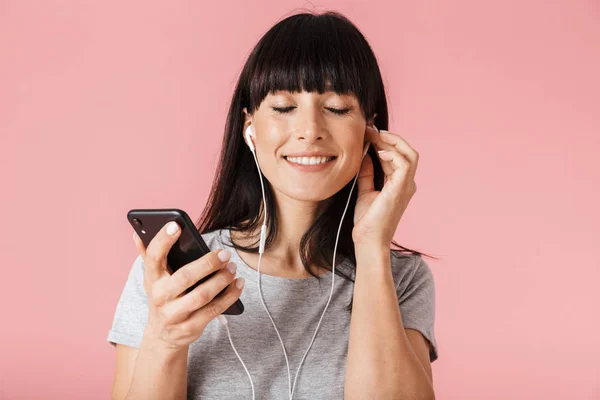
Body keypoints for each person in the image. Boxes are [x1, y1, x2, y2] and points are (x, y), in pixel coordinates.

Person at [107, 10, 439, 400]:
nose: (310, 131)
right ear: (250, 127)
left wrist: (370, 246)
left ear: (370, 132)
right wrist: (164, 341)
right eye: (283, 108)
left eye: (336, 108)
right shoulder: (173, 275)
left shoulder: (400, 277)